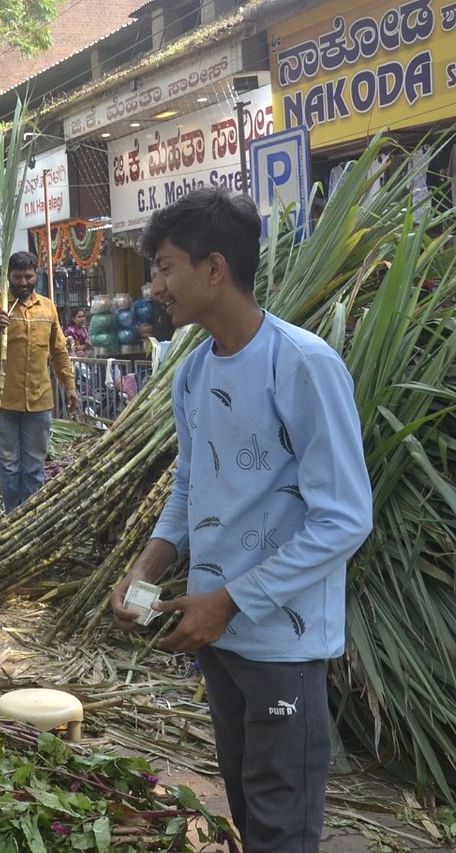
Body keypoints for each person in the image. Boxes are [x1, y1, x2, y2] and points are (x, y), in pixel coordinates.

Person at [109, 188, 373, 853]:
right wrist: (146, 570)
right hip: (218, 639)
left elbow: (344, 518)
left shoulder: (303, 364)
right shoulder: (193, 373)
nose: (156, 285)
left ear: (215, 269)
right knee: (254, 821)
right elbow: (191, 489)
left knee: (283, 829)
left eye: (166, 266)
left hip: (281, 648)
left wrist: (230, 600)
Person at [0, 251, 81, 512]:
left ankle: (30, 520)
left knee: (34, 467)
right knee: (9, 468)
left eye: (28, 276)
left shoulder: (47, 307)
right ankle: (13, 518)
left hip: (39, 400)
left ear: (36, 275)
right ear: (8, 277)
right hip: (3, 401)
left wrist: (70, 386)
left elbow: (58, 352)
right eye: (17, 277)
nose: (23, 282)